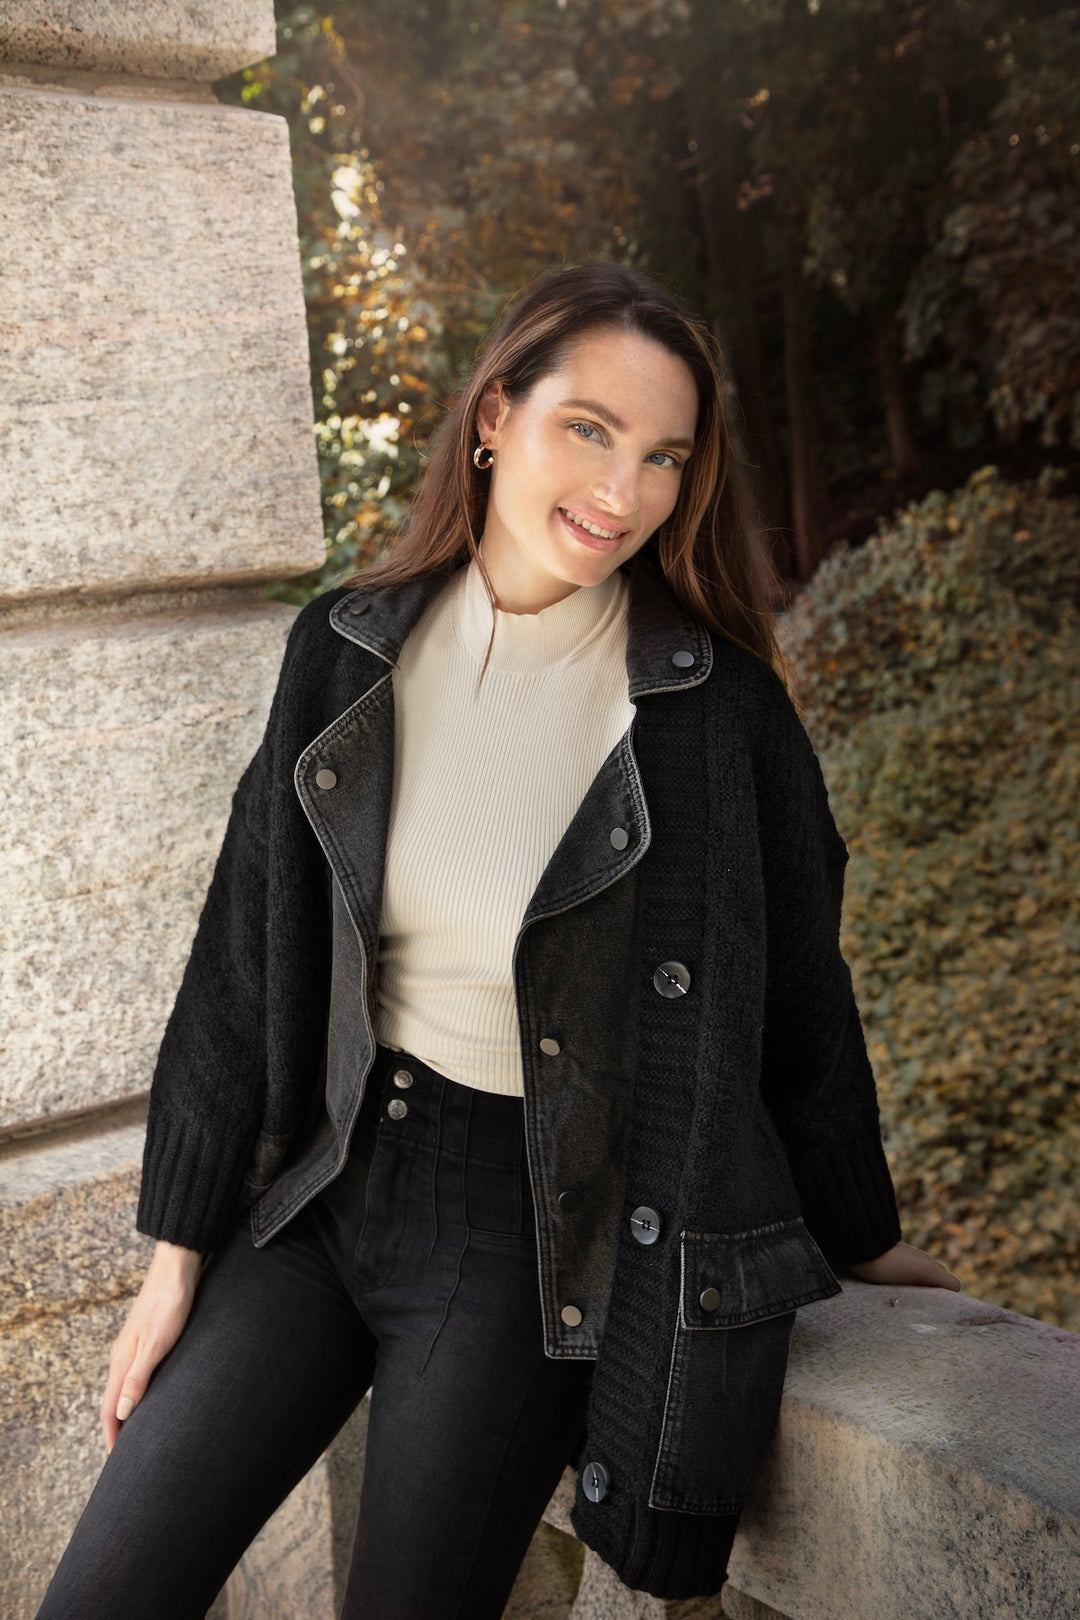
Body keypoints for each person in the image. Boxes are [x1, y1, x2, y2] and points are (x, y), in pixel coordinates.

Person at [35, 262, 960, 1620]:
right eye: (589, 428)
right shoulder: (345, 649)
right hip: (323, 1192)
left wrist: (863, 1232)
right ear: (492, 417)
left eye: (664, 456)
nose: (624, 490)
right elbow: (245, 951)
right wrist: (176, 1253)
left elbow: (802, 1005)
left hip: (519, 1241)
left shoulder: (718, 719)